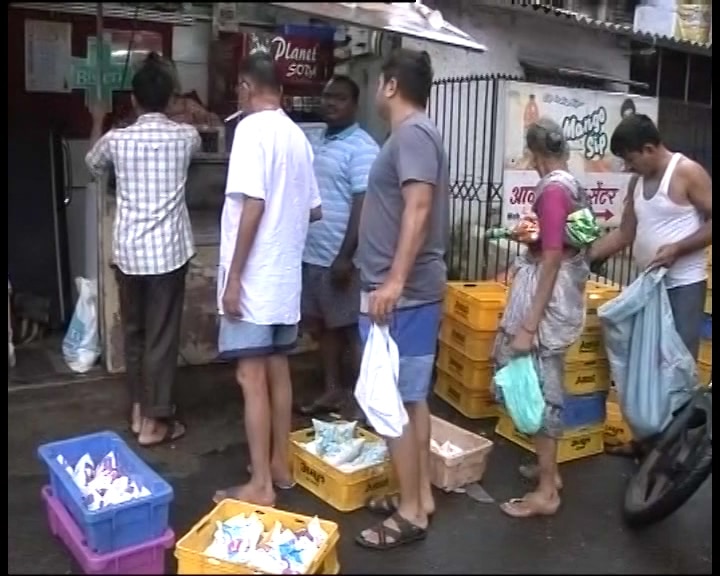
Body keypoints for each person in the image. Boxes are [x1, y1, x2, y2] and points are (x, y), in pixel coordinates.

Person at [213, 52, 322, 506]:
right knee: (279, 369)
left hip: (256, 278)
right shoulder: (298, 137)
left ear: (245, 85)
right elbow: (315, 210)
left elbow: (253, 204)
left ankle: (260, 485)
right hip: (285, 279)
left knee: (249, 376)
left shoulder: (250, 131)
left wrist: (234, 276)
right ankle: (279, 464)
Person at [354, 48, 449, 550]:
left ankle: (412, 511)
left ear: (390, 85)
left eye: (377, 82)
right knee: (410, 400)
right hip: (406, 294)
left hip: (404, 297)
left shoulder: (411, 134)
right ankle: (418, 496)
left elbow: (418, 205)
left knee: (394, 402)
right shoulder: (412, 135)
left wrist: (392, 281)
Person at [85, 53, 200, 447]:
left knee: (135, 334)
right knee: (161, 339)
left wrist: (99, 118)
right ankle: (155, 423)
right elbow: (196, 129)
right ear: (170, 100)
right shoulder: (186, 137)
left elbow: (91, 165)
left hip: (130, 255)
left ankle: (138, 412)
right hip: (168, 256)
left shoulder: (116, 140)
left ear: (133, 101)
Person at [494, 118, 593, 519]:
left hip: (547, 306)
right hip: (565, 297)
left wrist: (528, 326)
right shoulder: (570, 184)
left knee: (538, 388)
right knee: (543, 379)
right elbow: (574, 241)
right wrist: (536, 239)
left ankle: (547, 491)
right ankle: (547, 467)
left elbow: (552, 261)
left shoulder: (551, 191)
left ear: (536, 155)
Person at [589, 114, 711, 363]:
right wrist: (587, 256)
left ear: (649, 149)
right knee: (650, 363)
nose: (628, 167)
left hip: (683, 285)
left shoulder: (686, 172)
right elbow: (625, 233)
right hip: (649, 286)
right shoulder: (636, 182)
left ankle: (680, 404)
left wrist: (678, 248)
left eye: (631, 159)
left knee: (678, 365)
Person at [299, 75, 380, 418]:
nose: (330, 103)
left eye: (340, 98)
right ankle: (333, 391)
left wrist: (345, 256)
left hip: (343, 258)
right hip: (312, 254)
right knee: (324, 328)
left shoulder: (363, 147)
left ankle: (365, 402)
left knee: (352, 330)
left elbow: (365, 205)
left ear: (354, 104)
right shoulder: (315, 139)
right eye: (327, 96)